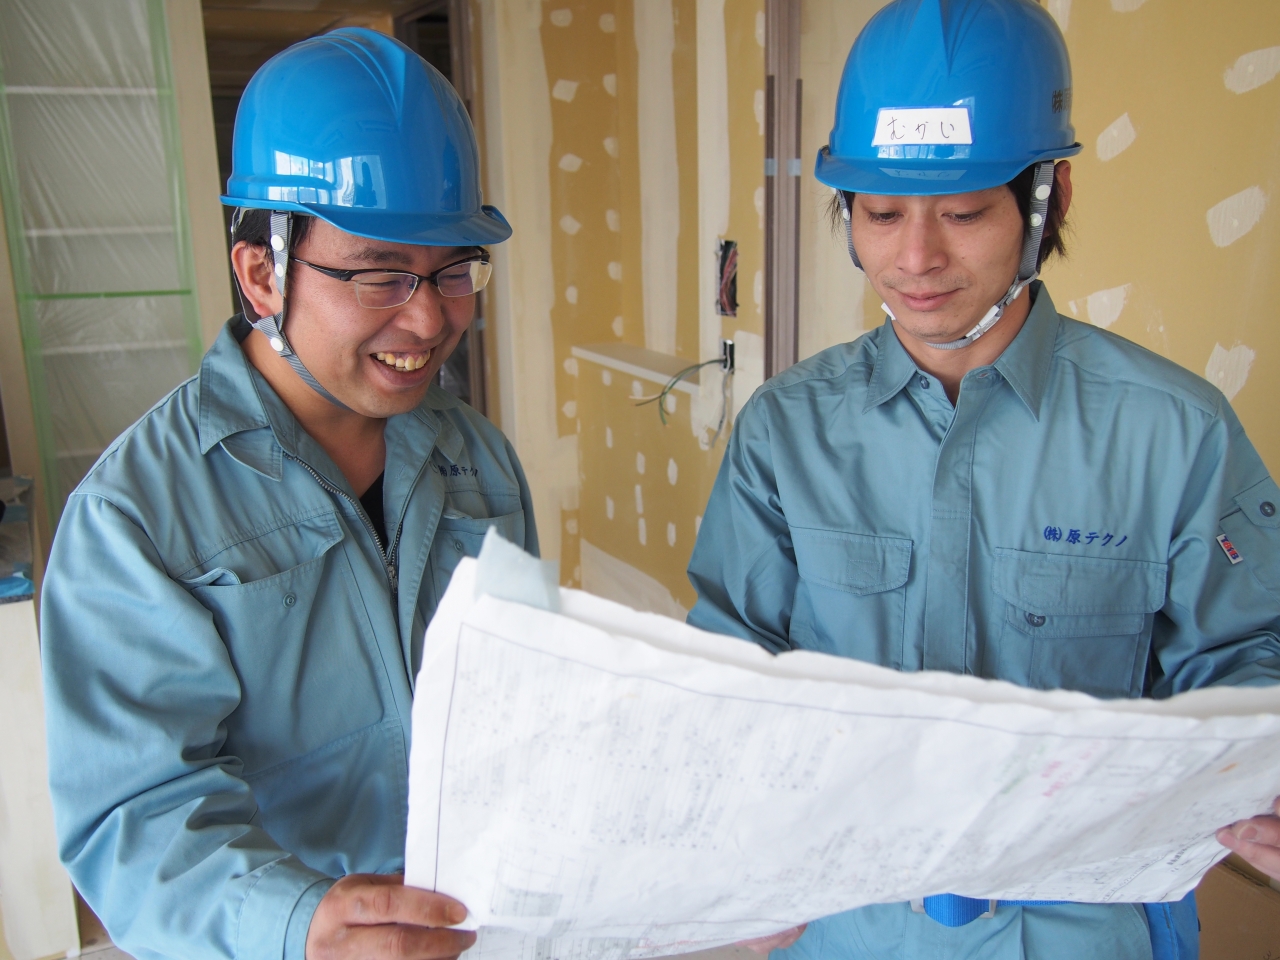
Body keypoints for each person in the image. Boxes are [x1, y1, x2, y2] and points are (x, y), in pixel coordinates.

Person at [686, 1, 1280, 958]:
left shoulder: (1174, 431)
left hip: (1090, 928)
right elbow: (731, 671)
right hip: (849, 926)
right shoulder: (786, 432)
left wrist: (1258, 765)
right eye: (881, 214)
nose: (916, 259)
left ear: (1050, 199)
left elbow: (1249, 653)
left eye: (963, 213)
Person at [41, 29, 534, 960]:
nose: (429, 318)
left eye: (452, 270)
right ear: (263, 272)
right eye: (381, 275)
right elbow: (129, 820)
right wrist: (295, 923)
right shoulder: (137, 517)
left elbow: (520, 700)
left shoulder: (480, 461)